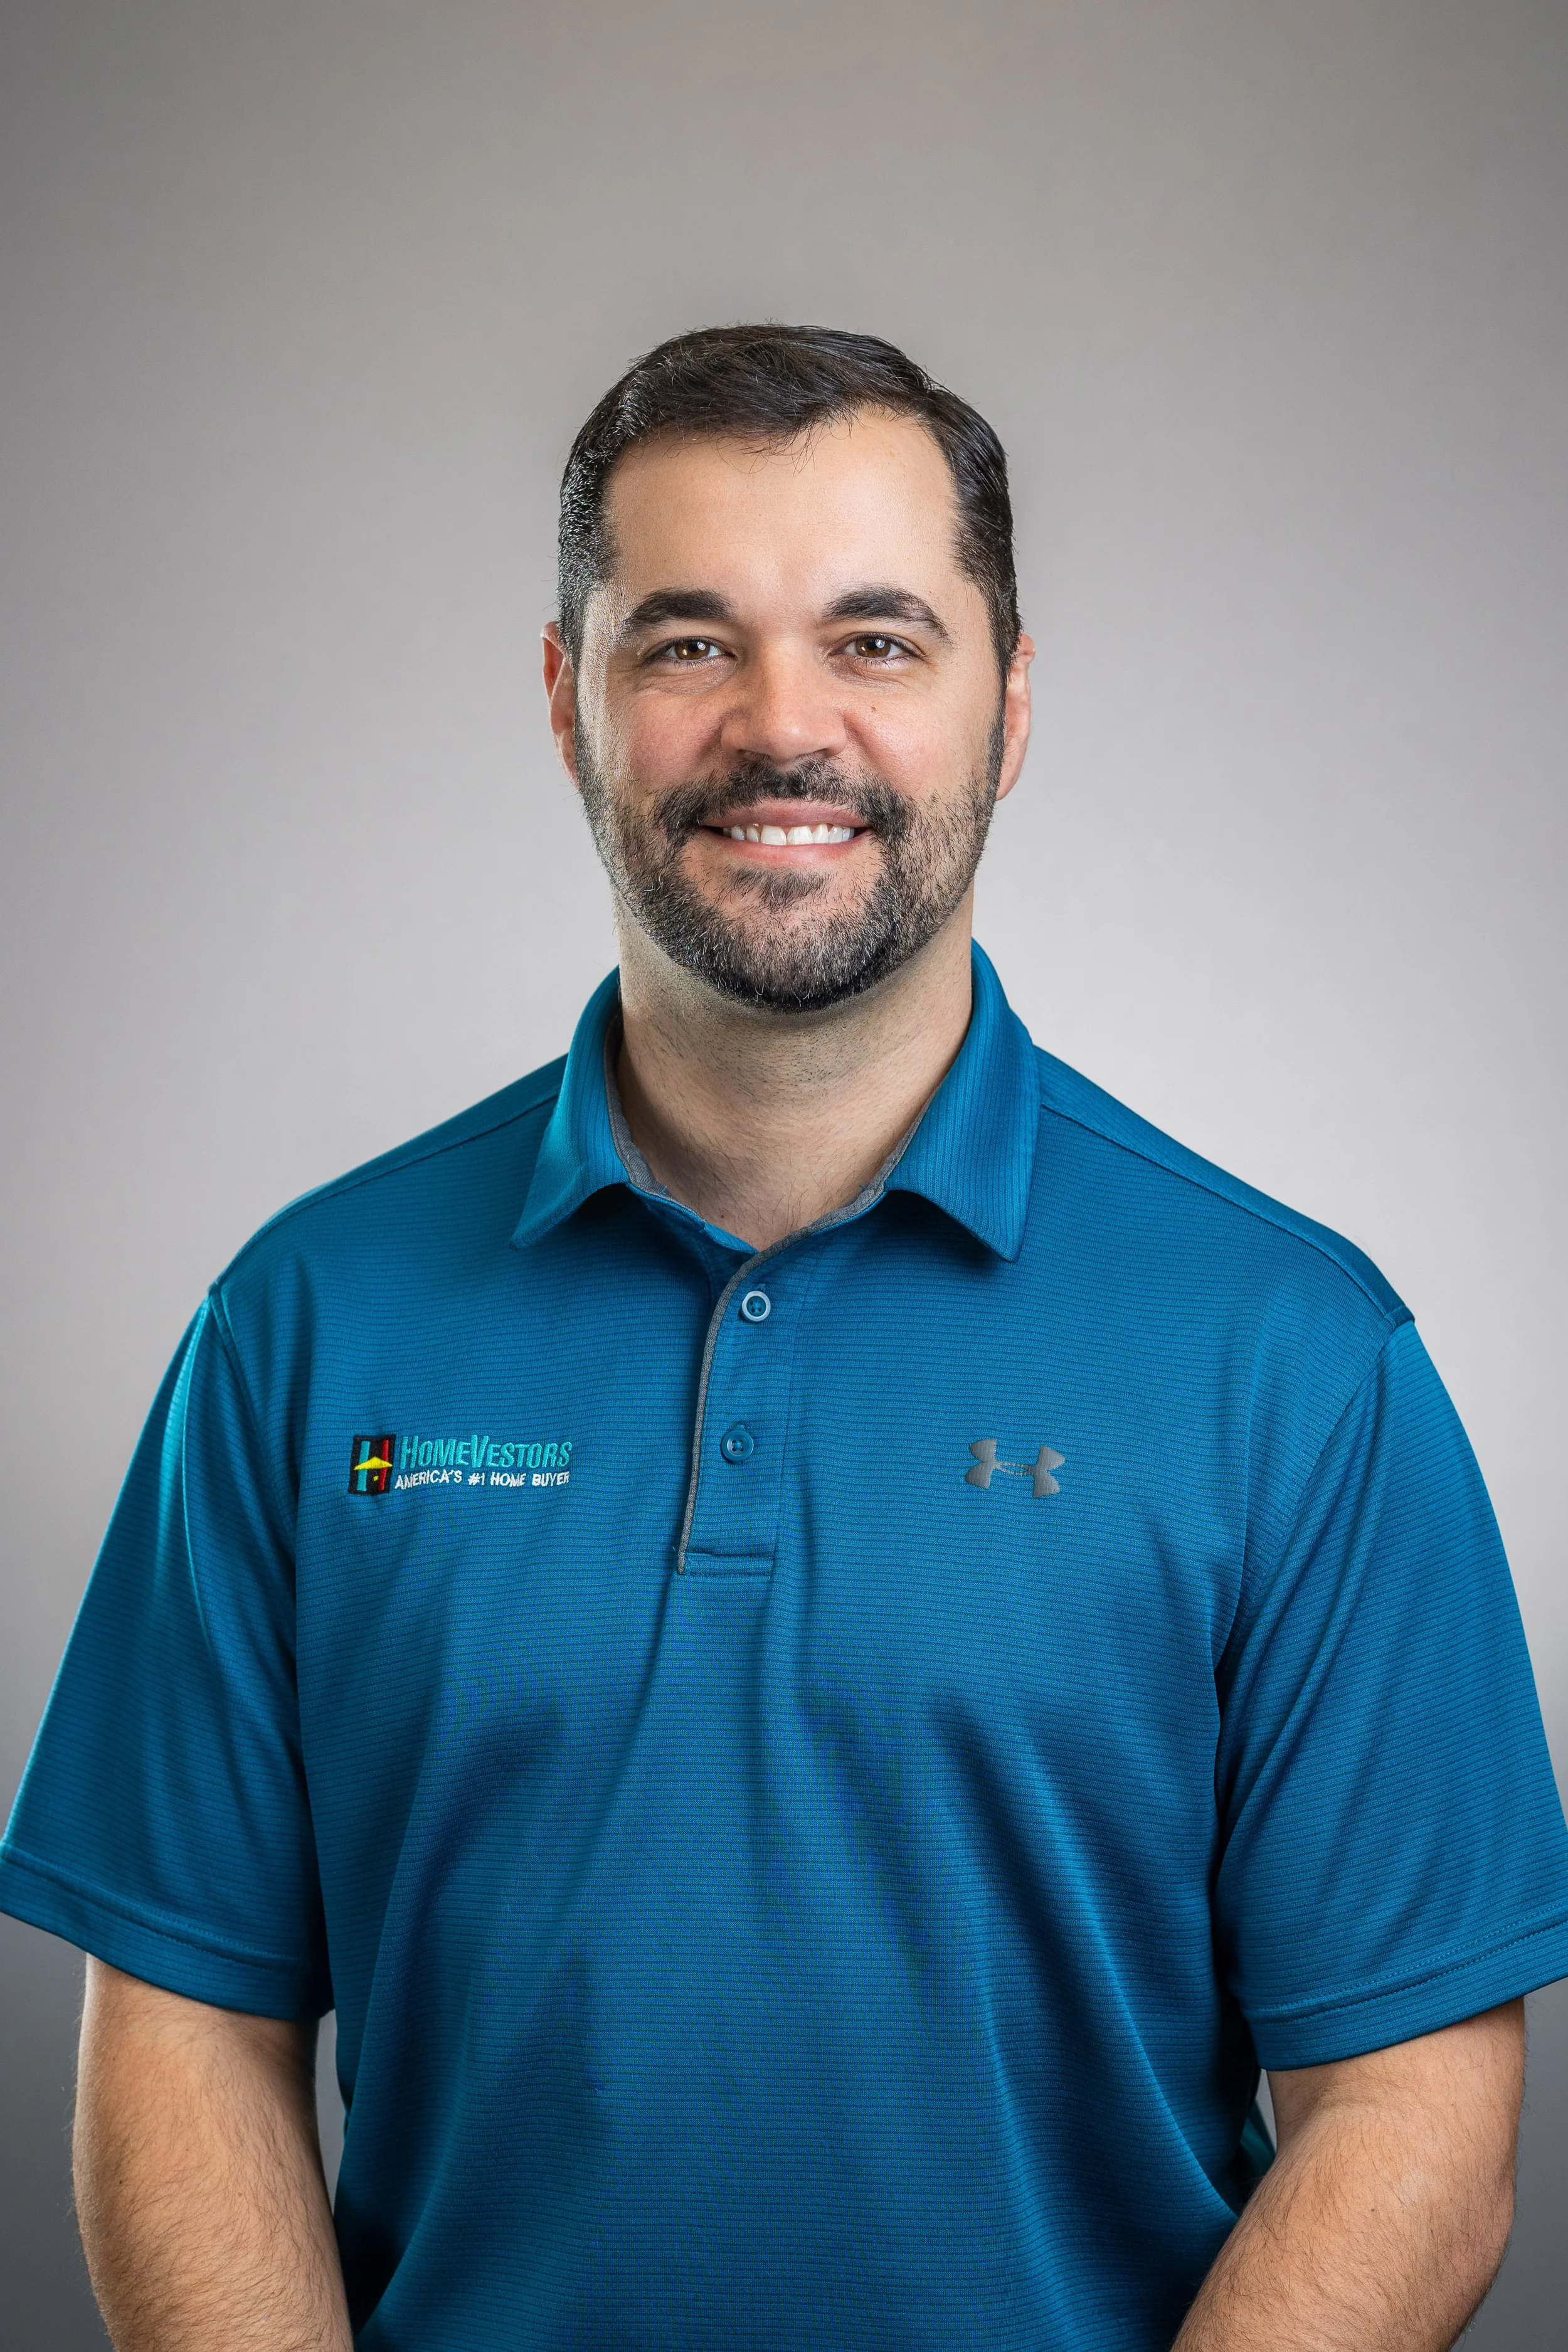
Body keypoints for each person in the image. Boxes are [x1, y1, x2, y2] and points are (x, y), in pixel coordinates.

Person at [4, 324, 1566, 2352]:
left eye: (876, 640)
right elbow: (186, 2030)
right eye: (687, 643)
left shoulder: (1295, 1359)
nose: (781, 727)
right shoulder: (298, 1327)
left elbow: (1412, 2104)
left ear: (1010, 703)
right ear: (565, 699)